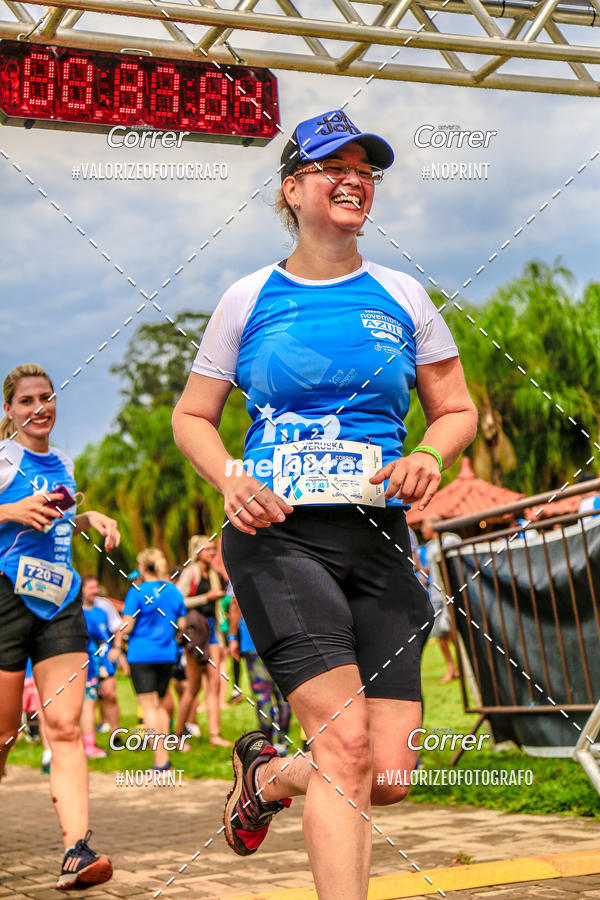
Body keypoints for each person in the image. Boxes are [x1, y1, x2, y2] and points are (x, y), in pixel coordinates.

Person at [172, 109, 477, 899]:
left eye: (365, 169)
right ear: (293, 187)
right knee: (343, 748)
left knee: (391, 773)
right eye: (333, 166)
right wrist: (233, 478)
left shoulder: (404, 294)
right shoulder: (249, 297)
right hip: (279, 539)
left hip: (379, 542)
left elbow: (457, 409)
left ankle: (267, 777)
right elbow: (191, 416)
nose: (353, 179)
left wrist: (427, 454)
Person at [0, 362, 119, 889]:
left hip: (60, 601)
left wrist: (89, 518)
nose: (39, 407)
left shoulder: (64, 463)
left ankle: (76, 849)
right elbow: (21, 512)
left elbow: (61, 512)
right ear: (10, 411)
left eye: (46, 397)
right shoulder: (3, 461)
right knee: (3, 734)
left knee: (66, 726)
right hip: (7, 598)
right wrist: (11, 510)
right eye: (26, 400)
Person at [121, 548, 187, 771]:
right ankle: (164, 755)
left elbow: (126, 626)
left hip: (141, 654)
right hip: (167, 654)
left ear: (142, 567)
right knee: (159, 704)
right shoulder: (173, 591)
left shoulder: (137, 591)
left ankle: (160, 761)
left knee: (149, 708)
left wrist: (118, 633)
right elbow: (183, 625)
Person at [175, 535, 231, 747]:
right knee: (194, 686)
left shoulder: (215, 575)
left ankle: (215, 735)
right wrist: (205, 598)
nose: (212, 553)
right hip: (195, 630)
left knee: (215, 683)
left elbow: (218, 610)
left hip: (212, 630)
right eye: (207, 549)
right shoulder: (191, 573)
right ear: (197, 552)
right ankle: (177, 735)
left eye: (213, 550)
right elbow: (179, 600)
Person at [228, 594, 291, 755]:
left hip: (254, 641)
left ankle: (268, 745)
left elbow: (236, 603)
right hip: (283, 639)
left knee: (263, 697)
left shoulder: (242, 569)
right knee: (285, 695)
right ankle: (282, 743)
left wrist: (233, 637)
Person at [419, 517, 461, 683]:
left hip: (451, 593)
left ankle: (466, 666)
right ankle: (452, 668)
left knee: (456, 632)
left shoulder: (449, 539)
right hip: (435, 596)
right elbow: (427, 571)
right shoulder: (429, 547)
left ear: (433, 525)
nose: (422, 530)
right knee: (440, 635)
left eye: (424, 525)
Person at [80, 575, 122, 736]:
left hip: (104, 658)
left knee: (109, 694)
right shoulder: (75, 608)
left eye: (96, 587)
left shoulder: (104, 605)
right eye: (90, 587)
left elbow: (118, 627)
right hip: (85, 660)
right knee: (87, 701)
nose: (94, 591)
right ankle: (86, 739)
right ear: (82, 589)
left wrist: (116, 648)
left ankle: (116, 734)